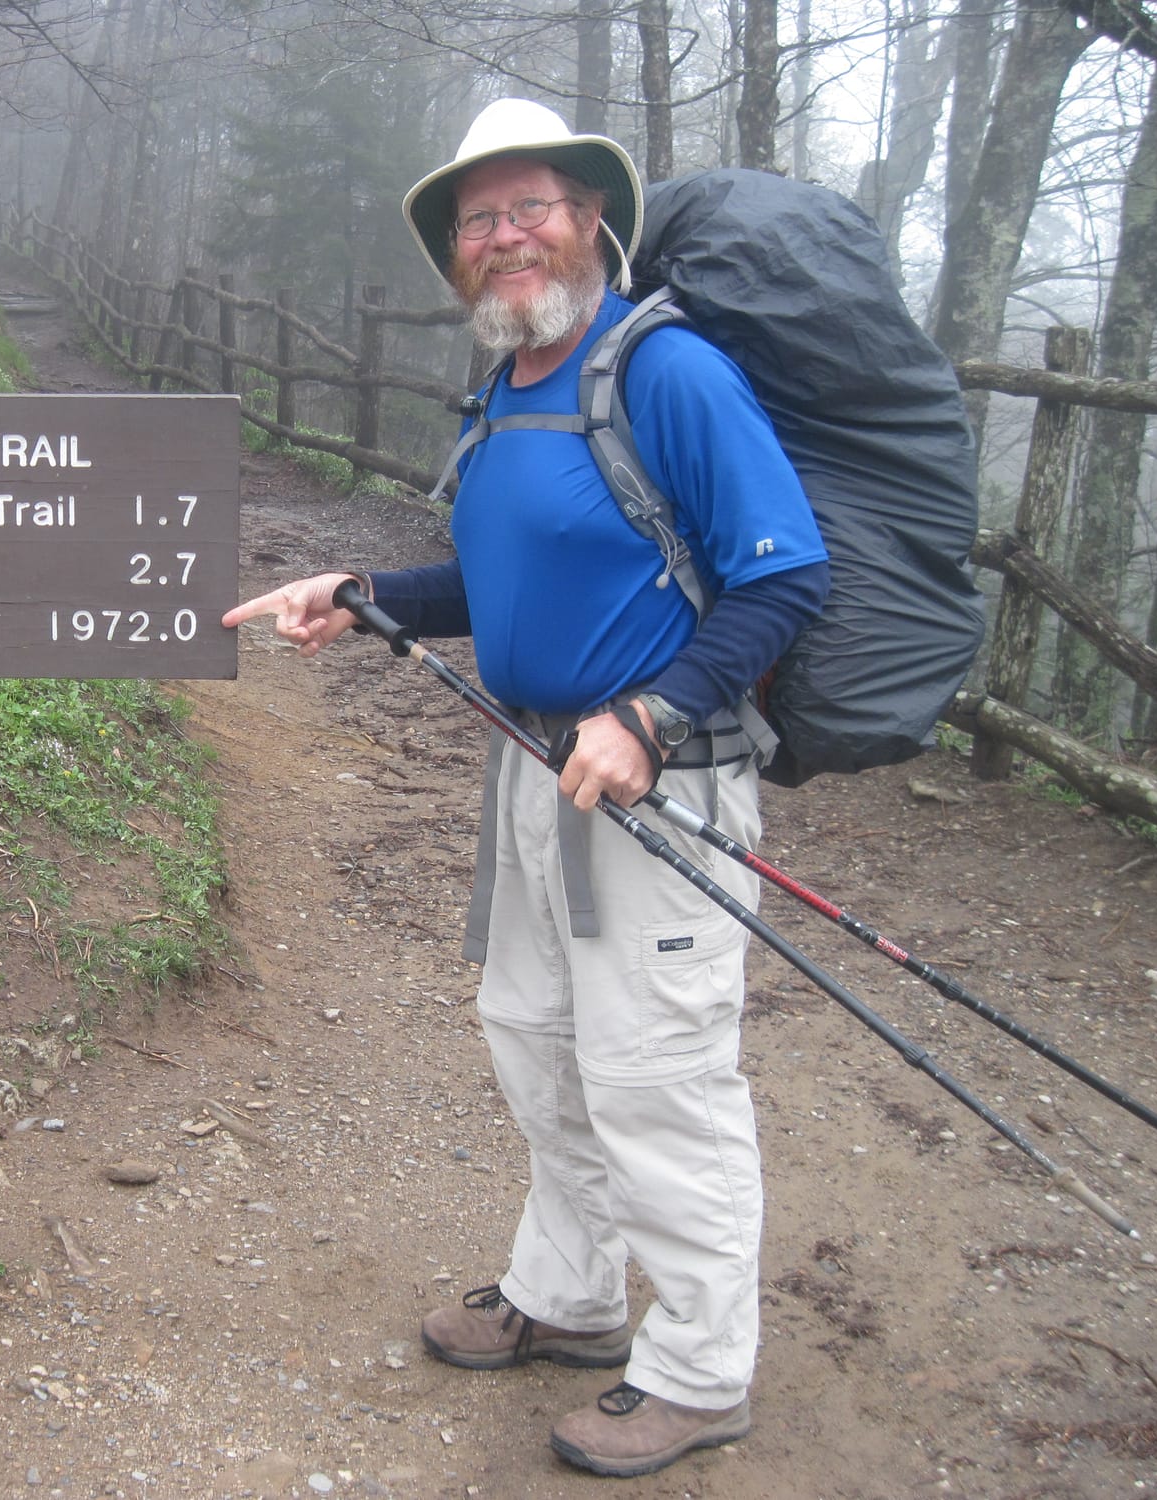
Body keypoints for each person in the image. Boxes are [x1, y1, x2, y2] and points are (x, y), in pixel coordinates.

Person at [222, 98, 830, 1479]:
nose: (503, 237)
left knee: (658, 1075)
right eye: (477, 220)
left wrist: (655, 715)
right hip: (534, 764)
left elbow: (785, 572)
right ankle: (567, 1297)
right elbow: (508, 583)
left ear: (591, 217)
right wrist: (365, 591)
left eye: (528, 208)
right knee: (538, 1039)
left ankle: (699, 1367)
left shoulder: (665, 373)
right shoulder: (508, 383)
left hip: (653, 785)